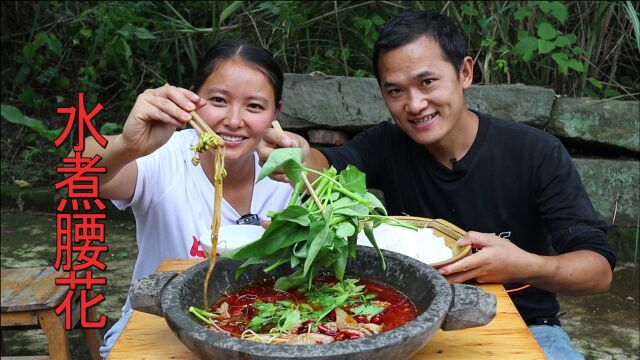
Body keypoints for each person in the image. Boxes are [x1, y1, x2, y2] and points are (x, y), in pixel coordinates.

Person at [257, 9, 615, 360]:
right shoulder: (386, 144)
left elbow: (597, 271)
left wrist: (526, 266)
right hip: (409, 324)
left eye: (427, 82)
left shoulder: (535, 152)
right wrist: (298, 156)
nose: (414, 104)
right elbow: (327, 166)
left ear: (465, 72)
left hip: (527, 322)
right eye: (395, 91)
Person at [81, 39, 293, 358]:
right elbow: (79, 170)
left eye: (254, 106)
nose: (234, 120)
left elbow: (322, 170)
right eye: (219, 100)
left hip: (261, 332)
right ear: (192, 100)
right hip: (157, 327)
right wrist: (127, 144)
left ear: (275, 113)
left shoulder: (284, 171)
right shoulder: (165, 155)